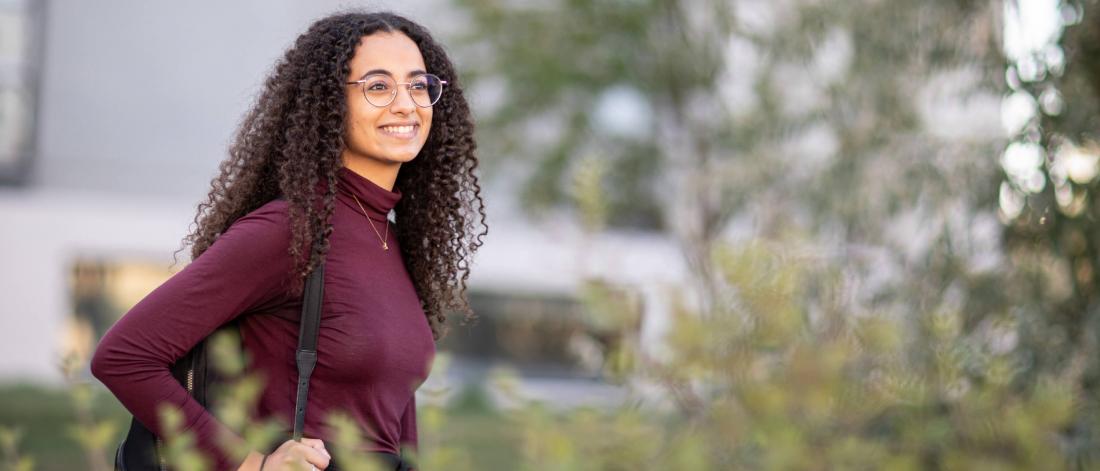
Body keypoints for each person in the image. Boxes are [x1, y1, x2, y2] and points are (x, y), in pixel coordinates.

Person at [91, 10, 487, 471]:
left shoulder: (395, 241)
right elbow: (124, 356)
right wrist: (250, 464)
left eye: (419, 86)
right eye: (378, 87)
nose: (406, 104)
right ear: (327, 103)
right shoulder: (290, 230)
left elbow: (393, 421)